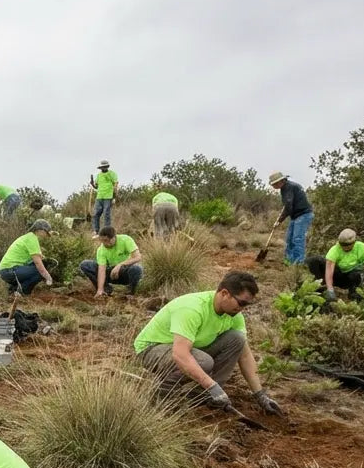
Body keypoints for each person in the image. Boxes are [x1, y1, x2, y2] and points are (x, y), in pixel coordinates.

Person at [132, 270, 282, 415]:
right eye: (241, 303)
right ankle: (163, 392)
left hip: (191, 348)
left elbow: (245, 355)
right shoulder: (193, 308)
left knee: (237, 339)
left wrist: (260, 395)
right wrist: (212, 386)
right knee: (204, 361)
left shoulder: (234, 314)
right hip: (152, 348)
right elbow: (180, 354)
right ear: (224, 293)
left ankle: (201, 396)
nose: (242, 309)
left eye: (246, 305)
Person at [307, 228, 364, 300]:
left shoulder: (362, 248)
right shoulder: (334, 250)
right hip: (339, 276)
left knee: (357, 275)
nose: (345, 247)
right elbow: (329, 272)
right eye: (342, 244)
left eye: (347, 245)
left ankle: (354, 295)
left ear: (354, 242)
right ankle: (318, 288)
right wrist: (330, 289)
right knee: (314, 260)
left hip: (354, 277)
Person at [0, 219, 56, 295]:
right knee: (41, 270)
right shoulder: (32, 239)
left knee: (35, 268)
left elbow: (33, 258)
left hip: (6, 271)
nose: (46, 235)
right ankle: (21, 292)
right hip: (10, 271)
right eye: (46, 233)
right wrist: (48, 277)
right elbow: (38, 263)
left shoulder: (28, 237)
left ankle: (13, 291)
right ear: (40, 230)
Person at [80, 226, 142, 296]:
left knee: (137, 269)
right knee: (85, 264)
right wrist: (100, 289)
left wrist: (120, 265)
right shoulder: (101, 249)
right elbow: (101, 270)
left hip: (125, 272)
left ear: (113, 238)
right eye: (102, 241)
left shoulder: (125, 239)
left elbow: (138, 257)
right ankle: (106, 289)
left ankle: (130, 292)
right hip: (111, 274)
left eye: (106, 240)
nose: (104, 243)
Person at [269, 171, 314, 265]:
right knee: (289, 238)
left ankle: (299, 263)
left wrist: (279, 220)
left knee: (297, 239)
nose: (273, 186)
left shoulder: (290, 187)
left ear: (280, 181)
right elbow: (287, 206)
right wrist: (280, 220)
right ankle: (289, 260)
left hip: (303, 214)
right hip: (296, 216)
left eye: (274, 184)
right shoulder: (284, 188)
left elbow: (288, 206)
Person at [91, 160, 118, 233]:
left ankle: (107, 231)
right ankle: (95, 230)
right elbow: (96, 187)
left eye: (105, 167)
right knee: (96, 214)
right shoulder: (99, 175)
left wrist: (114, 197)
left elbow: (115, 185)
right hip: (99, 197)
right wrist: (92, 184)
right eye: (102, 167)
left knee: (106, 214)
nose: (104, 168)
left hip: (108, 197)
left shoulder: (112, 174)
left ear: (107, 167)